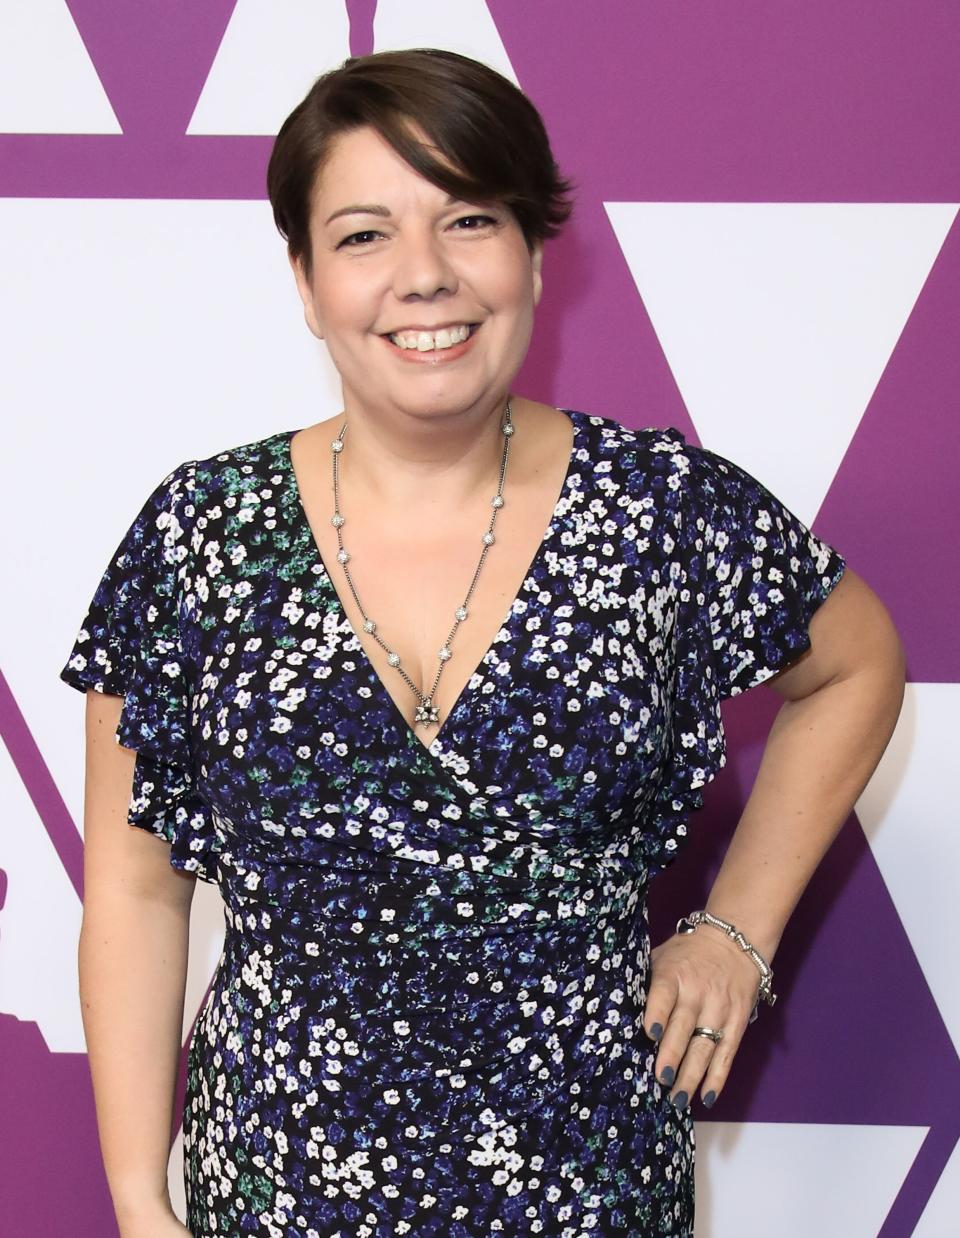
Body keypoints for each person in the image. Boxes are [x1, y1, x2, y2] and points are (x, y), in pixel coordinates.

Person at [59, 47, 905, 1238]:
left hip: (590, 1186)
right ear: (304, 280)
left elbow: (859, 662)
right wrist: (141, 1200)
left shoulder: (662, 509)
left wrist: (735, 929)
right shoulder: (202, 536)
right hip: (276, 1193)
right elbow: (138, 891)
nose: (424, 276)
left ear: (531, 251)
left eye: (469, 218)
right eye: (362, 235)